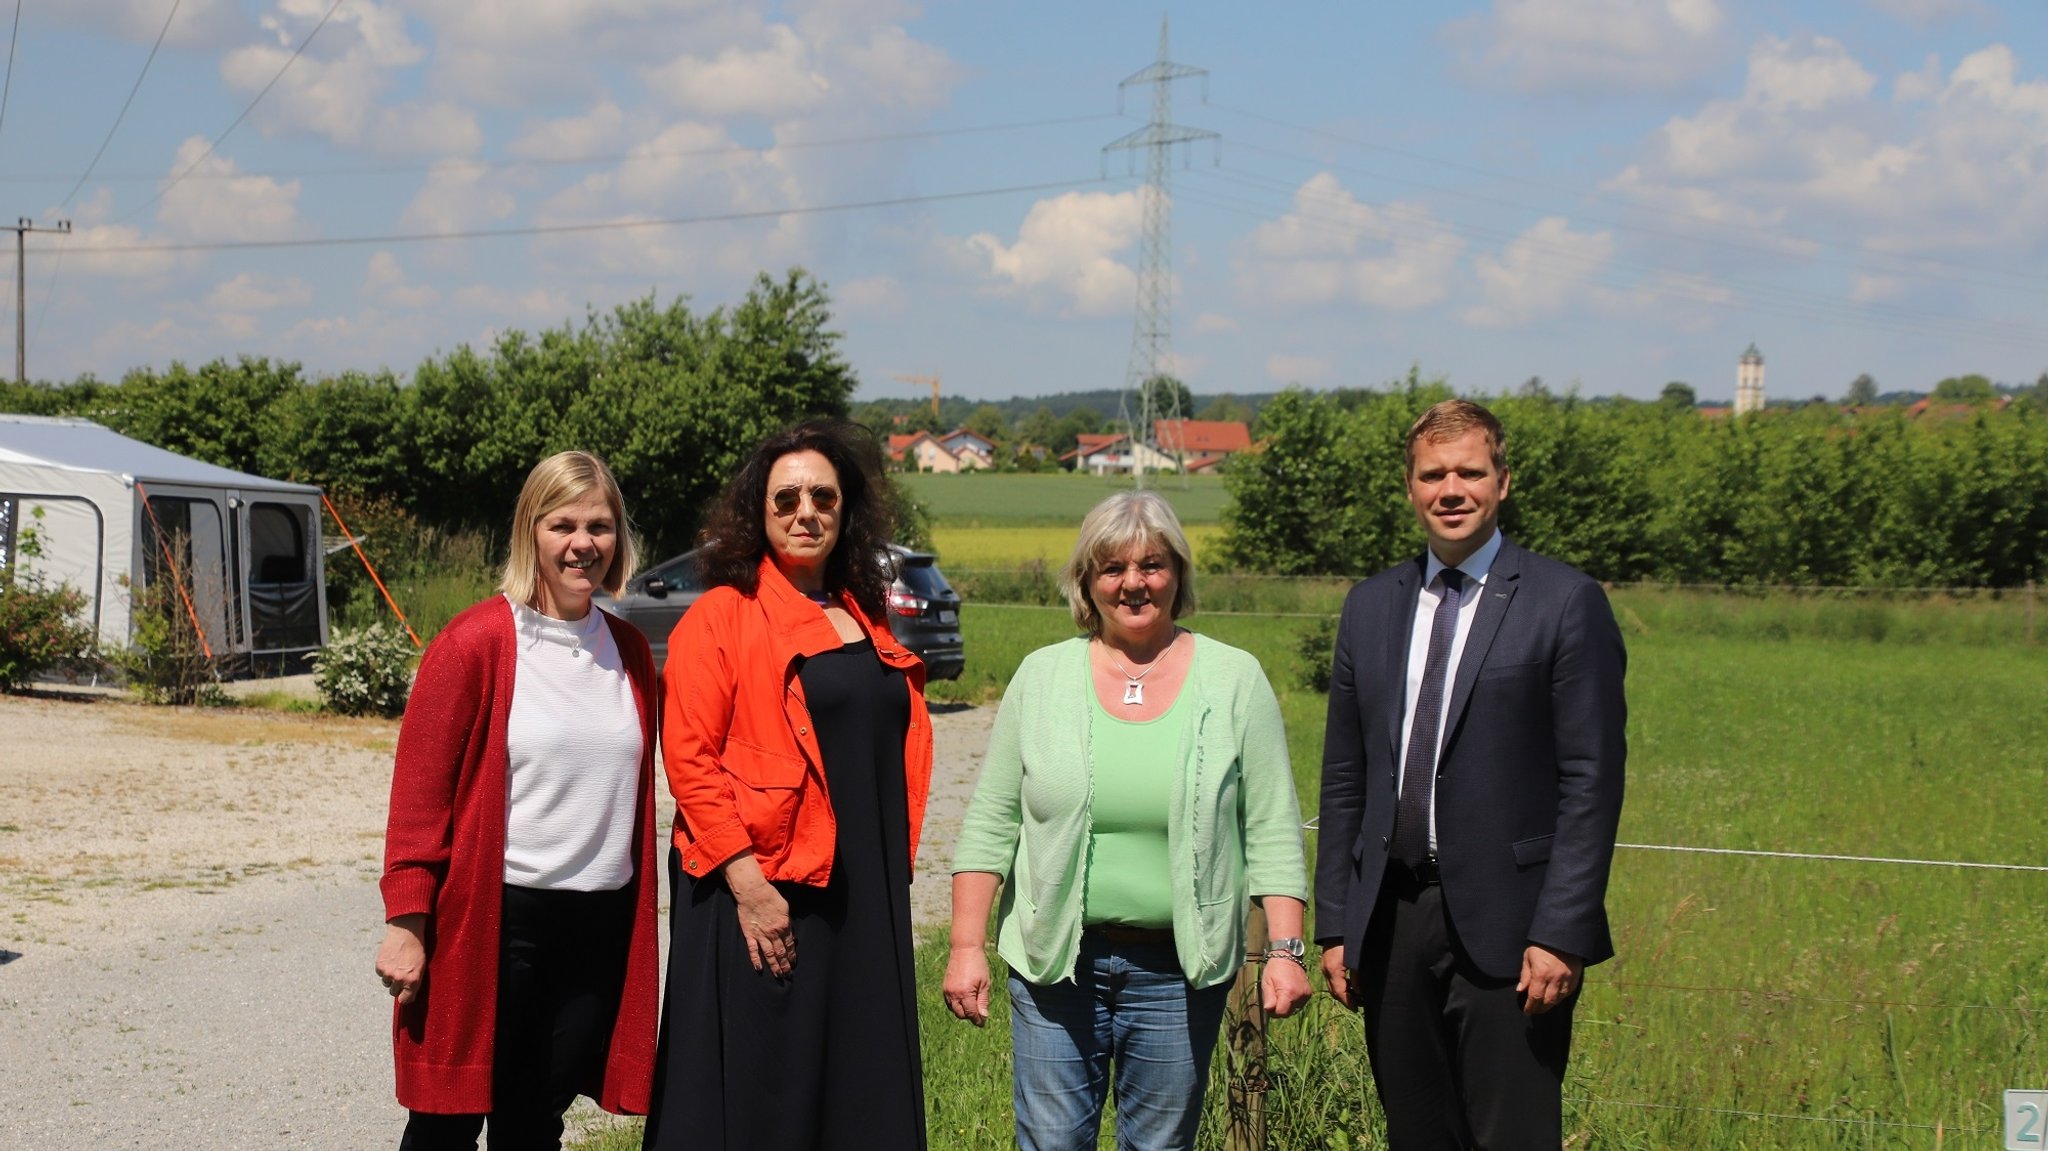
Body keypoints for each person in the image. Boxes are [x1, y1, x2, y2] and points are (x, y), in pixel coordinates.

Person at [944, 489, 1311, 1151]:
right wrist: (966, 944)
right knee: (1053, 1144)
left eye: (1152, 564)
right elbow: (991, 821)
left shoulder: (1235, 679)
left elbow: (1274, 826)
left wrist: (1285, 949)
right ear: (1087, 580)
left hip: (1178, 970)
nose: (1133, 582)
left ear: (1178, 574)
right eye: (1112, 567)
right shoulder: (1041, 677)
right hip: (1056, 965)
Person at [1314, 398, 1627, 1150]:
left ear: (1503, 482)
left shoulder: (1565, 602)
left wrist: (1562, 930)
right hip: (1392, 923)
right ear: (1411, 487)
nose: (1451, 489)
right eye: (1433, 474)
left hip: (1513, 930)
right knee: (1417, 1135)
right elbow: (1345, 776)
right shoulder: (1369, 607)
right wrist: (1335, 922)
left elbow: (1592, 779)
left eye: (1469, 472)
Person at [643, 420, 932, 1151]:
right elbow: (690, 758)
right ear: (757, 510)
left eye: (823, 497)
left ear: (847, 510)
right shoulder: (720, 615)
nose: (806, 512)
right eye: (786, 498)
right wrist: (748, 884)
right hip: (768, 891)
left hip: (861, 897)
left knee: (853, 1087)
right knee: (767, 1094)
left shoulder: (863, 613)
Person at [376, 451, 661, 1150]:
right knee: (446, 1121)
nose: (582, 543)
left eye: (600, 525)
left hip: (597, 926)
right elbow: (420, 794)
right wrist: (407, 920)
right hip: (498, 918)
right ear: (530, 531)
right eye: (562, 523)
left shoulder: (628, 649)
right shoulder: (475, 642)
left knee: (535, 1123)